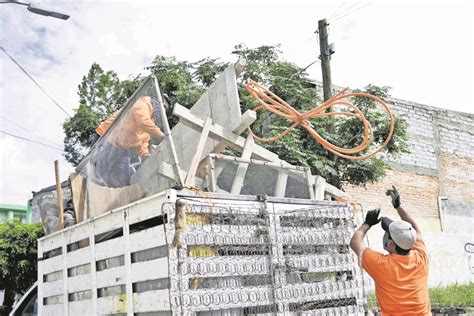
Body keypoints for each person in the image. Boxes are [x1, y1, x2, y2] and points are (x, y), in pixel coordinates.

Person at [350, 186, 431, 315]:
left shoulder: (381, 264)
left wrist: (367, 223)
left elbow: (355, 243)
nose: (384, 236)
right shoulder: (421, 257)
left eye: (386, 234)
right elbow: (416, 230)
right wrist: (398, 206)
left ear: (391, 243)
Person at [93, 95, 168, 187]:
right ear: (156, 100)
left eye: (165, 108)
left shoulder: (151, 120)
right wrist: (162, 136)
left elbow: (143, 141)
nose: (163, 109)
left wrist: (145, 154)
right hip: (107, 138)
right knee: (97, 169)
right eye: (163, 106)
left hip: (122, 147)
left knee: (124, 178)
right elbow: (143, 122)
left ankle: (119, 196)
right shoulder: (142, 104)